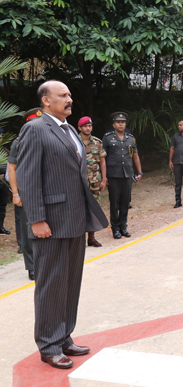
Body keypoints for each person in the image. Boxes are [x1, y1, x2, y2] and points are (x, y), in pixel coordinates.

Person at [16, 80, 108, 369]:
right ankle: (48, 344)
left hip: (73, 220)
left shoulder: (69, 130)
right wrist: (37, 219)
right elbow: (29, 177)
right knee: (50, 284)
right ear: (46, 101)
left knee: (69, 282)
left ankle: (64, 335)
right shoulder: (35, 129)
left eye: (69, 95)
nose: (69, 99)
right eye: (63, 95)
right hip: (51, 222)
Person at [7, 108, 41, 280]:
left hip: (44, 192)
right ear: (28, 124)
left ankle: (44, 263)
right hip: (26, 193)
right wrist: (15, 193)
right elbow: (11, 169)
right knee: (28, 231)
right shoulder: (18, 142)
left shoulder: (47, 140)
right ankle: (31, 266)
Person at [103, 112, 142, 239]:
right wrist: (104, 176)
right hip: (113, 175)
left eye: (123, 122)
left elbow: (135, 155)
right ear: (114, 124)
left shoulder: (131, 138)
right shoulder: (108, 138)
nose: (121, 124)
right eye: (118, 122)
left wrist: (139, 172)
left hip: (127, 174)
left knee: (125, 202)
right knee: (114, 203)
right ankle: (115, 228)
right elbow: (103, 158)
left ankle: (123, 227)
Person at [77, 116, 107, 247]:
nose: (88, 128)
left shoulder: (97, 142)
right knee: (79, 210)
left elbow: (102, 161)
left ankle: (91, 237)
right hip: (79, 182)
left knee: (94, 209)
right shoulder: (73, 141)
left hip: (95, 181)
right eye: (85, 126)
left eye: (89, 126)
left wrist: (104, 179)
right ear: (80, 128)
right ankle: (80, 239)